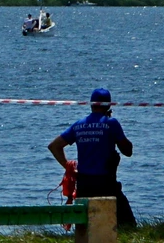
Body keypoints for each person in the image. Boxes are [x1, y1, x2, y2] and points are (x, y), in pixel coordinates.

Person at [48, 87, 136, 227]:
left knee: (87, 225)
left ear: (91, 104)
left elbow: (54, 146)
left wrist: (68, 167)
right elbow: (127, 151)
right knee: (127, 223)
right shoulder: (110, 123)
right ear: (108, 105)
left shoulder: (79, 125)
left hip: (84, 182)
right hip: (106, 182)